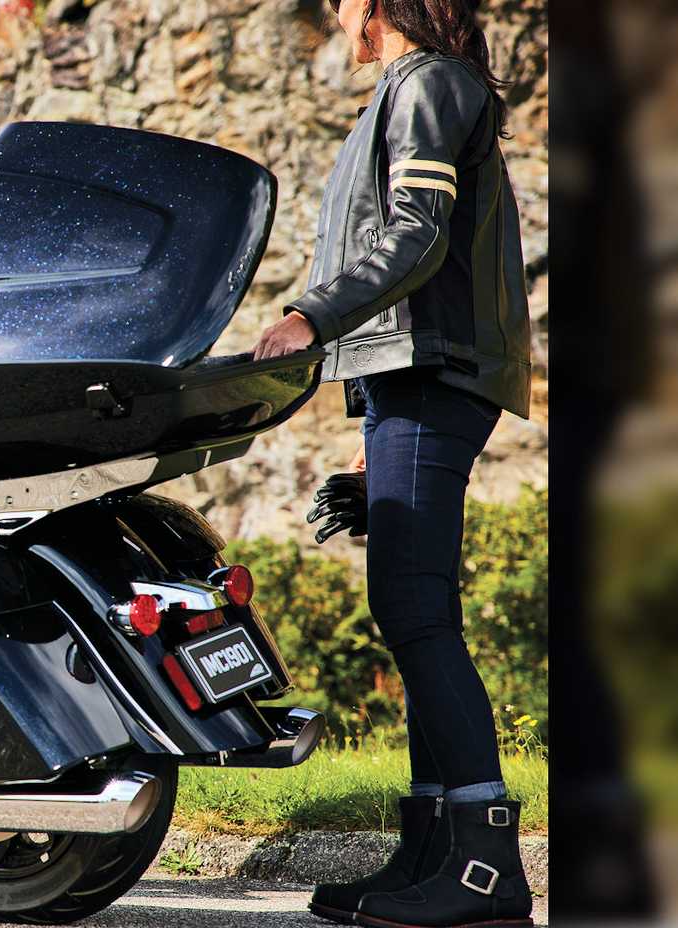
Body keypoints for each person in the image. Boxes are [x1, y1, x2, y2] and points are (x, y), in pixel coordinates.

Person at [252, 1, 533, 926]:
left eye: (339, 4)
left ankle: (485, 864)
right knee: (409, 609)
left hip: (434, 377)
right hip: (412, 385)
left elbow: (417, 232)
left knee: (416, 610)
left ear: (376, 7)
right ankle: (428, 850)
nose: (334, 17)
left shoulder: (429, 83)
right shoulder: (412, 88)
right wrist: (372, 442)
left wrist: (310, 314)